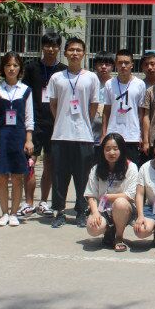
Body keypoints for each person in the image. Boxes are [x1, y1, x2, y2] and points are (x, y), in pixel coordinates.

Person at [47, 37, 101, 228]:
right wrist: (62, 121)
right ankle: (59, 212)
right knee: (59, 176)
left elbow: (94, 105)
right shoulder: (57, 78)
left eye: (78, 50)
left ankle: (81, 211)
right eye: (71, 50)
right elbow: (53, 104)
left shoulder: (91, 77)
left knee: (83, 177)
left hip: (84, 136)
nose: (75, 53)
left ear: (84, 53)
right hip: (60, 135)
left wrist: (84, 122)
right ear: (65, 53)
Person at [0, 52, 34, 227]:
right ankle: (4, 213)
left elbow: (29, 118)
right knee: (1, 177)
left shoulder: (26, 90)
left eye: (15, 65)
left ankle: (14, 213)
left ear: (20, 68)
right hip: (1, 137)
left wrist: (29, 139)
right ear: (3, 68)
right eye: (8, 65)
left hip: (19, 137)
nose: (11, 69)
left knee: (17, 177)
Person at [22, 32, 66, 217]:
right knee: (30, 161)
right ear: (42, 47)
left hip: (55, 123)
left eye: (55, 46)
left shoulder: (63, 70)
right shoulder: (31, 68)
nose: (51, 49)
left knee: (50, 163)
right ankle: (28, 203)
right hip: (34, 122)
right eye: (47, 45)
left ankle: (43, 202)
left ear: (59, 48)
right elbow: (24, 94)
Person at [85, 133, 138, 251]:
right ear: (103, 151)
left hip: (124, 208)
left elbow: (130, 194)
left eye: (115, 149)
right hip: (102, 208)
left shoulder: (131, 167)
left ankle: (119, 237)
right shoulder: (96, 168)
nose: (111, 152)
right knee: (93, 228)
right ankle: (109, 231)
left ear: (122, 150)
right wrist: (95, 213)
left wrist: (109, 197)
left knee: (120, 203)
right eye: (107, 149)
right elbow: (90, 194)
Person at [101, 49, 147, 165]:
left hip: (132, 136)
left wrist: (142, 135)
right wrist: (104, 134)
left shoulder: (140, 84)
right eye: (120, 62)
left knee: (132, 169)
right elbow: (106, 111)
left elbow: (141, 112)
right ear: (116, 64)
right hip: (113, 135)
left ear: (132, 65)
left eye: (126, 63)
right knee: (113, 169)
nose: (123, 66)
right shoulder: (109, 84)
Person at [90, 51, 114, 166]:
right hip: (91, 131)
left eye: (107, 64)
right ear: (95, 65)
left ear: (112, 66)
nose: (104, 67)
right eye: (100, 64)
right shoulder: (89, 82)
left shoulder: (115, 84)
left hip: (109, 131)